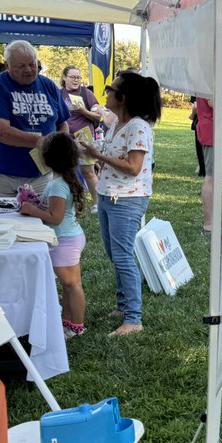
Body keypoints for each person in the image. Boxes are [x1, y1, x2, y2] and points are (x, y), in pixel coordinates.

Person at [80, 71, 161, 336]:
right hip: (109, 194)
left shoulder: (138, 126)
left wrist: (97, 154)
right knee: (115, 254)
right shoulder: (118, 124)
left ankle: (133, 319)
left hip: (126, 199)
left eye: (110, 89)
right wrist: (102, 159)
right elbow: (120, 160)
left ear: (123, 98)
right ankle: (123, 306)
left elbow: (134, 167)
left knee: (123, 256)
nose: (107, 93)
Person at [18, 132, 87, 338]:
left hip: (64, 239)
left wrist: (31, 209)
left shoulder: (57, 184)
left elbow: (54, 217)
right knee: (68, 285)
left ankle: (77, 326)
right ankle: (66, 323)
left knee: (72, 284)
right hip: (69, 236)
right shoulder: (60, 180)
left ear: (48, 158)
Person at [0, 40, 70, 196]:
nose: (28, 70)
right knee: (1, 220)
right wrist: (44, 142)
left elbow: (63, 124)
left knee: (43, 218)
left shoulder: (48, 85)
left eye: (32, 64)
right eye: (21, 66)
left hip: (42, 174)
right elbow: (1, 132)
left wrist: (60, 144)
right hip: (2, 176)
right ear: (7, 66)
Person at [60, 65, 103, 210]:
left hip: (84, 136)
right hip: (65, 138)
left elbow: (99, 116)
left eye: (78, 77)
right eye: (72, 77)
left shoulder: (86, 93)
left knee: (88, 171)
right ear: (64, 77)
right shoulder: (59, 94)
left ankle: (97, 203)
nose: (76, 80)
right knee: (66, 172)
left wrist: (83, 110)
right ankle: (70, 203)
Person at [194, 97, 222, 235]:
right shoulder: (211, 78)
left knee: (214, 178)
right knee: (212, 178)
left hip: (218, 132)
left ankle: (213, 223)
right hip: (215, 133)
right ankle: (209, 226)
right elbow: (214, 102)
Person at [189, 97, 205, 178]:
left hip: (200, 120)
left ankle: (202, 170)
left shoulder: (196, 90)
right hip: (213, 121)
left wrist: (192, 115)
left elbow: (196, 106)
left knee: (200, 146)